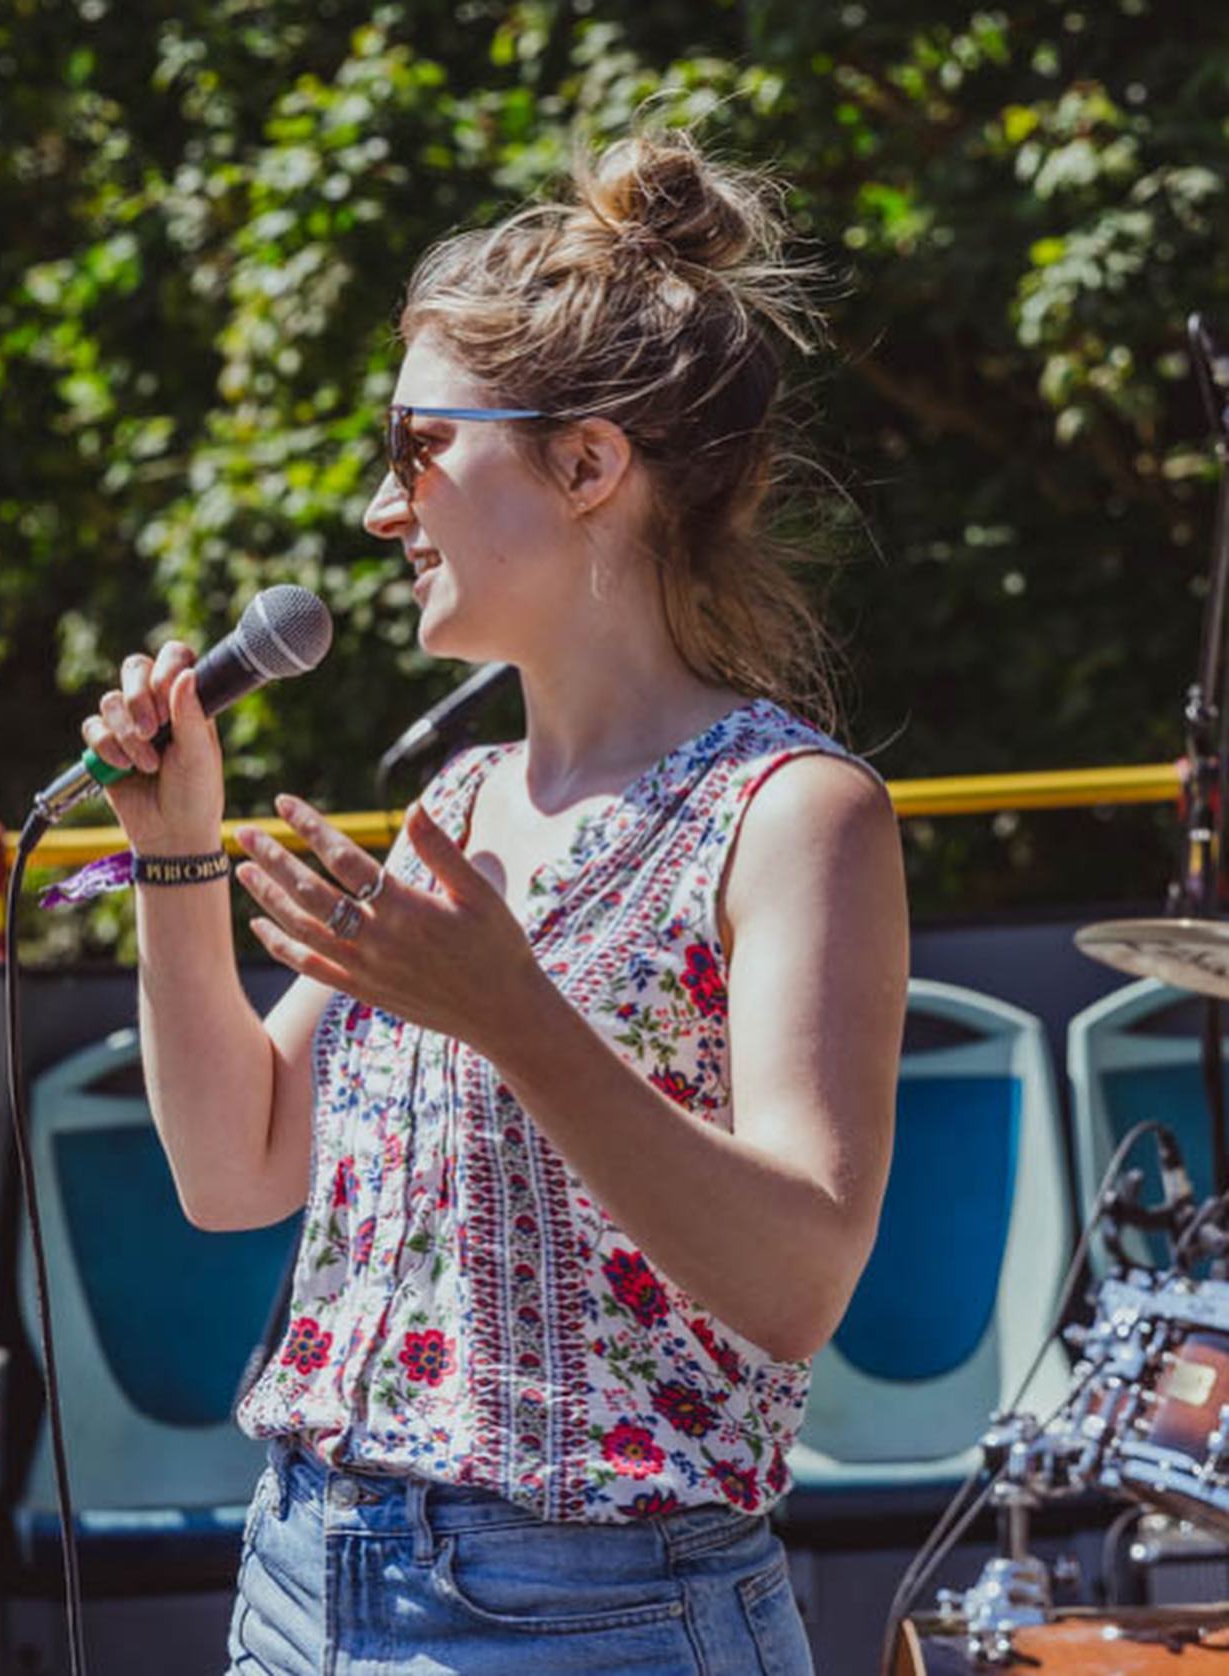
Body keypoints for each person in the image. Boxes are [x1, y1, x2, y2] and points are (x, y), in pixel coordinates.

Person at [84, 128, 908, 1676]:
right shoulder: (459, 805)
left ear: (587, 466)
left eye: (417, 448)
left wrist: (515, 1017)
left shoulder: (792, 813)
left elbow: (796, 1283)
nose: (383, 509)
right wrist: (175, 857)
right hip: (299, 1579)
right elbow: (232, 1170)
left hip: (596, 1617)